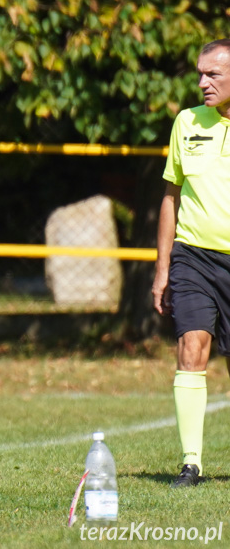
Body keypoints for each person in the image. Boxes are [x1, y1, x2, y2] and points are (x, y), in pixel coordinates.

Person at [152, 38, 230, 489]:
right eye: (200, 74)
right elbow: (171, 195)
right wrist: (163, 269)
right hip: (193, 255)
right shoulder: (186, 123)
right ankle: (191, 463)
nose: (202, 83)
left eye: (213, 75)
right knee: (191, 347)